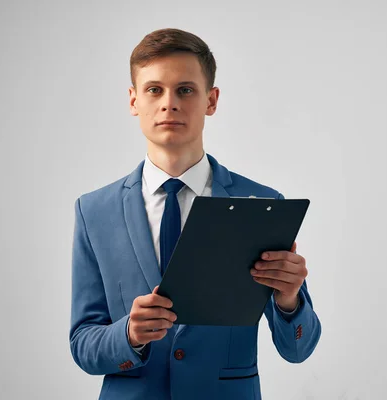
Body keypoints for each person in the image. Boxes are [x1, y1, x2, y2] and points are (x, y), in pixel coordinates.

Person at [69, 28, 322, 399]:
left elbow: (298, 349)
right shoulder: (94, 211)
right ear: (133, 100)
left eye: (185, 89)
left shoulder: (261, 203)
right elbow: (83, 345)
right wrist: (128, 335)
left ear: (211, 100)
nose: (169, 103)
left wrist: (289, 299)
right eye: (154, 89)